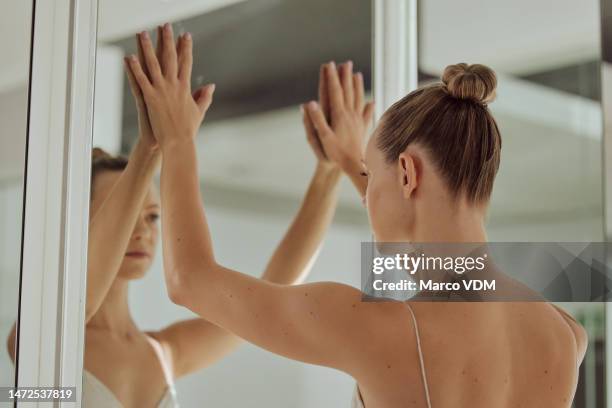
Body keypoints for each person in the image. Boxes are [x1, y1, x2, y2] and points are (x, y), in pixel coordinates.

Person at [128, 24, 588, 407]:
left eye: (373, 176)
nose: (367, 198)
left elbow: (189, 279)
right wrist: (354, 161)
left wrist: (177, 139)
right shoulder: (564, 335)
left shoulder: (376, 329)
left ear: (407, 173)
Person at [5, 25, 372, 408]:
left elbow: (275, 286)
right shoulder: (34, 339)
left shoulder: (164, 353)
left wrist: (330, 173)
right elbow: (62, 332)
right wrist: (150, 148)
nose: (143, 233)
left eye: (151, 217)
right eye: (129, 213)